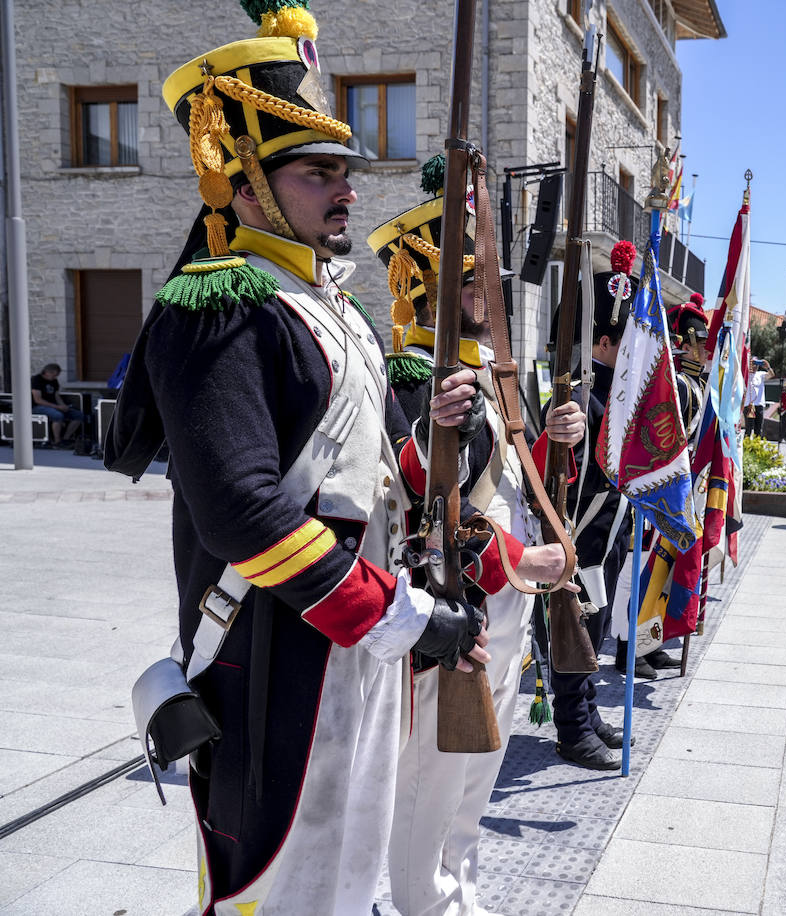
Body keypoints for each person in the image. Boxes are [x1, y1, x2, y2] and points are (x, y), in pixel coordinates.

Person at [103, 9, 526, 910]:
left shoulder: (330, 309)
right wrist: (398, 620)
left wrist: (428, 459)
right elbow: (245, 515)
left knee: (349, 877)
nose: (345, 190)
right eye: (317, 171)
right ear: (244, 179)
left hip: (352, 648)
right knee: (279, 888)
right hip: (273, 658)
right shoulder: (216, 308)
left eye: (345, 170)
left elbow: (362, 484)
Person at [367, 165, 589, 913]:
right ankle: (422, 904)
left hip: (507, 608)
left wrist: (564, 442)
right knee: (430, 787)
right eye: (472, 286)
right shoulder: (411, 378)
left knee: (472, 789)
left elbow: (516, 487)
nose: (487, 300)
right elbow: (423, 516)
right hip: (454, 609)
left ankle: (458, 895)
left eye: (486, 284)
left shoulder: (496, 375)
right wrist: (520, 559)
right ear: (427, 291)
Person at [29, 363, 85, 446]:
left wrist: (63, 406)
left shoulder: (54, 381)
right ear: (47, 372)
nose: (55, 377)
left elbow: (56, 396)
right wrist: (58, 407)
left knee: (79, 415)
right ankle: (57, 441)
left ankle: (66, 438)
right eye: (54, 375)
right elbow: (38, 400)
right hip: (37, 407)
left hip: (54, 406)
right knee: (57, 416)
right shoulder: (36, 380)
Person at [744, 356, 773, 437]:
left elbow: (771, 375)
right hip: (749, 405)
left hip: (759, 405)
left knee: (758, 429)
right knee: (748, 428)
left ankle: (756, 446)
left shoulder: (760, 374)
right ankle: (746, 446)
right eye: (753, 363)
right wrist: (747, 366)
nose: (755, 366)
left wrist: (768, 367)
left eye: (756, 364)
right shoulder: (745, 374)